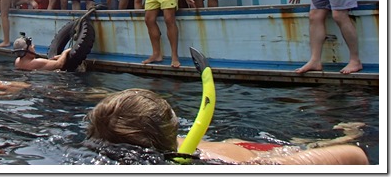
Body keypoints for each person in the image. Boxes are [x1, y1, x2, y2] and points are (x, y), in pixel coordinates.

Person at [85, 88, 369, 165]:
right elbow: (356, 157)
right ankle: (350, 130)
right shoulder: (234, 168)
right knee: (321, 145)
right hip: (262, 154)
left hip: (238, 147)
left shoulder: (127, 147)